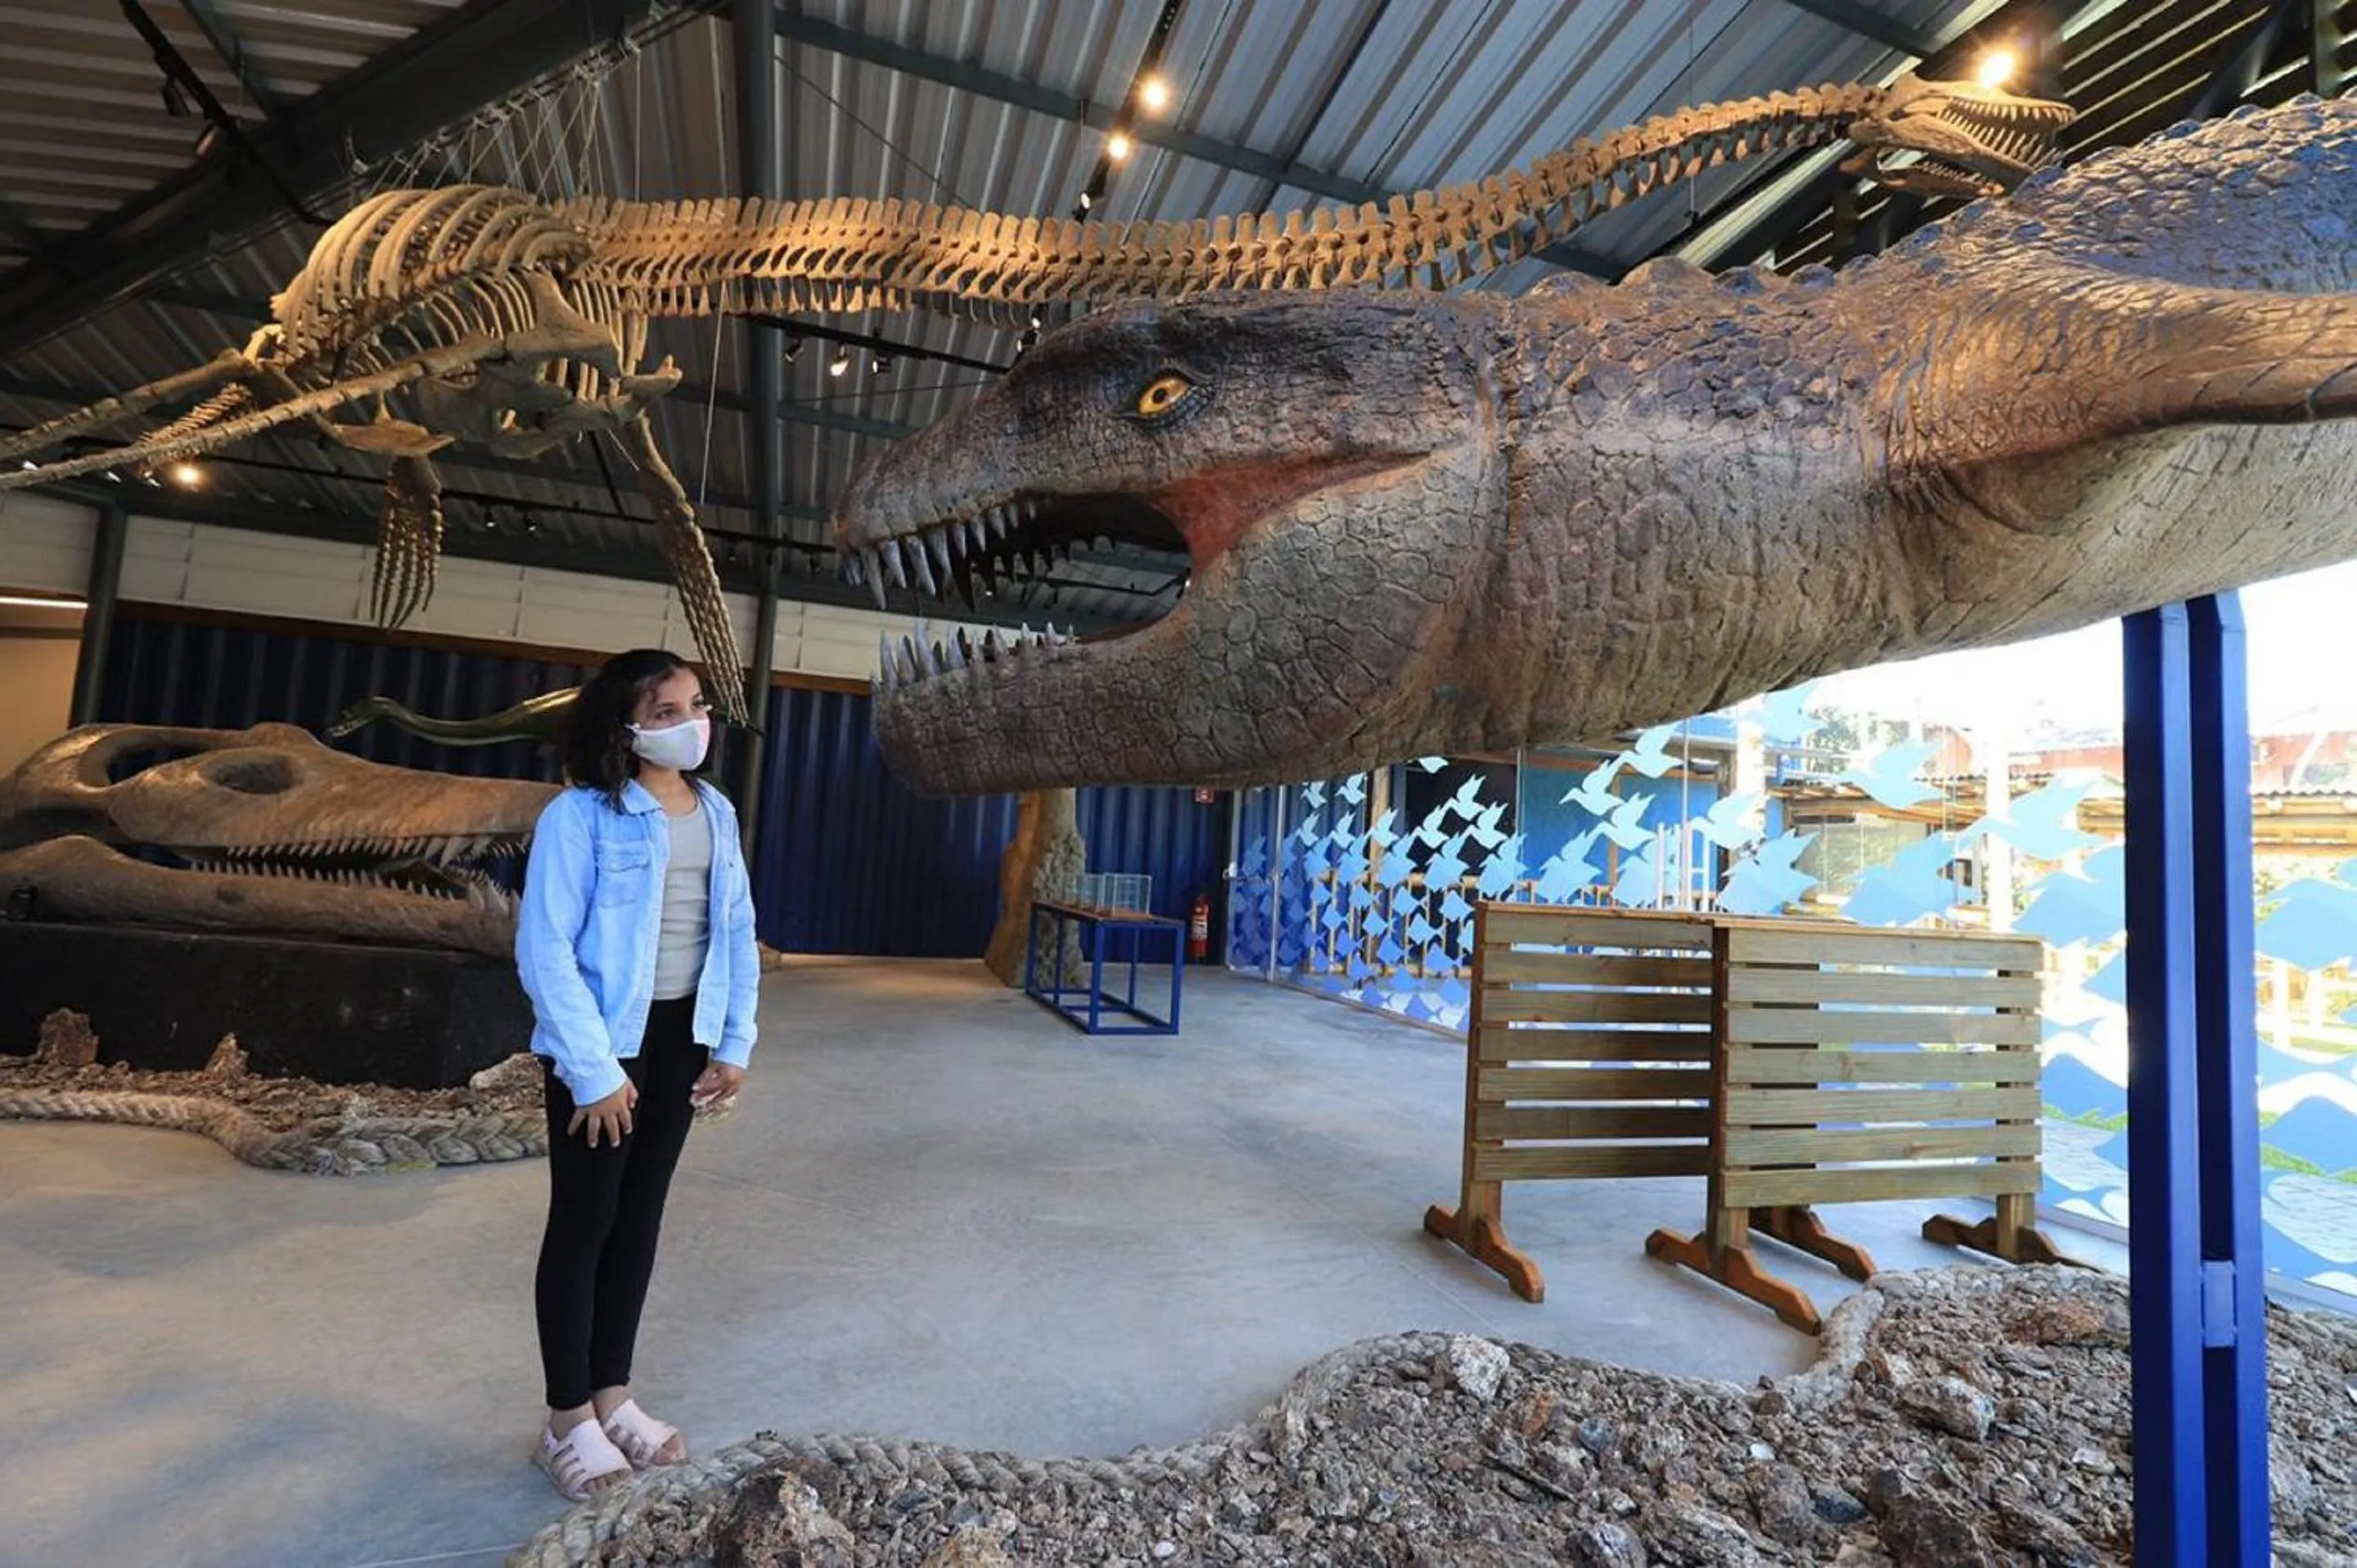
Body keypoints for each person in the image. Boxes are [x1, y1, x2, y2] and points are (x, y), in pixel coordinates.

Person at [514, 648, 761, 1501]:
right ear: (622, 721)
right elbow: (545, 948)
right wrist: (592, 1071)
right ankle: (564, 1419)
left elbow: (735, 933)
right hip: (604, 1045)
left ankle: (613, 1397)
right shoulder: (579, 817)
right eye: (666, 710)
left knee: (639, 1217)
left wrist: (734, 1043)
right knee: (585, 1220)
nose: (691, 722)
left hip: (682, 1038)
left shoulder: (717, 813)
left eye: (695, 705)